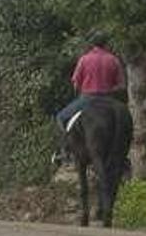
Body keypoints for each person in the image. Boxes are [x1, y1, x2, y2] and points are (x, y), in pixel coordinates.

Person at [52, 30, 125, 164]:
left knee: (61, 118)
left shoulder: (84, 59)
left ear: (92, 44)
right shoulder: (113, 59)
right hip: (109, 99)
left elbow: (76, 83)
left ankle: (65, 152)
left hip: (88, 98)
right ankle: (124, 155)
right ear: (106, 44)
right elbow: (121, 85)